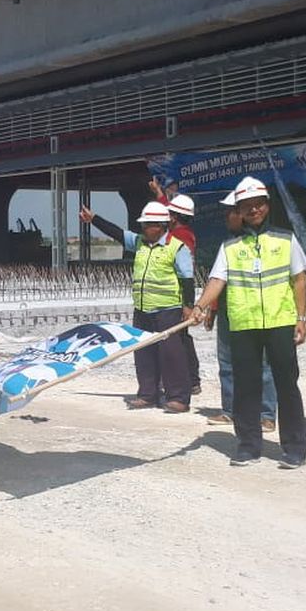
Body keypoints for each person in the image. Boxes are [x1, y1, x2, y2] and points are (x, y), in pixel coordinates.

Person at [191, 176, 306, 469]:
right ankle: (247, 446)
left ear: (267, 207)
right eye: (247, 206)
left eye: (258, 205)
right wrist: (200, 306)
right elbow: (217, 280)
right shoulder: (230, 246)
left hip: (280, 322)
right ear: (239, 211)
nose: (254, 210)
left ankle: (294, 448)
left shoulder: (285, 239)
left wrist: (300, 317)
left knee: (287, 385)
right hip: (244, 326)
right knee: (246, 387)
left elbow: (299, 279)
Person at [79, 200, 195, 412]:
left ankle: (178, 397)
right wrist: (94, 219)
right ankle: (147, 394)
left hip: (168, 310)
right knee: (143, 354)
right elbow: (117, 233)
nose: (143, 229)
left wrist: (188, 307)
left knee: (171, 356)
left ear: (161, 226)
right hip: (142, 309)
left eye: (147, 225)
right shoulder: (140, 242)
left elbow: (187, 279)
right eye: (143, 225)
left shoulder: (177, 248)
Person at [205, 188, 278, 432]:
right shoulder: (229, 246)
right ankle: (230, 410)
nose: (227, 217)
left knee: (264, 366)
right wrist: (210, 308)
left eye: (230, 212)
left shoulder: (270, 242)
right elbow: (217, 281)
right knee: (227, 363)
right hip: (230, 313)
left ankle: (267, 414)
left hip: (259, 315)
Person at [149, 178, 202, 396]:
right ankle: (190, 379)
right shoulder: (183, 232)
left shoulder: (180, 238)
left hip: (178, 297)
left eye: (169, 214)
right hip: (177, 297)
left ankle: (190, 380)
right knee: (180, 338)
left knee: (180, 339)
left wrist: (186, 304)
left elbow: (185, 276)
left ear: (175, 217)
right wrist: (159, 194)